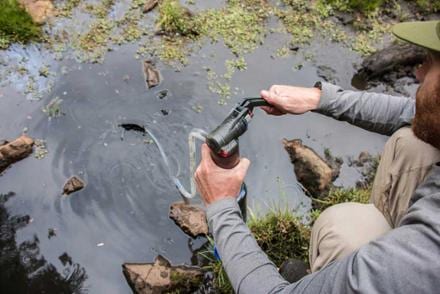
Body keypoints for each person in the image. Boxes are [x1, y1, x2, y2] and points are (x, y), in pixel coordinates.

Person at [194, 20, 440, 293]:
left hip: (406, 270)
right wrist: (318, 99)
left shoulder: (427, 253)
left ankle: (338, 276)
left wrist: (221, 206)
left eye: (431, 62)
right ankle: (378, 243)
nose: (419, 73)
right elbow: (413, 112)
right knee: (412, 143)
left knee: (341, 231)